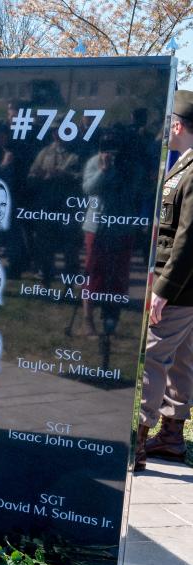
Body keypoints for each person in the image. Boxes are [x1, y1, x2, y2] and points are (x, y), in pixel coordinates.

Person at [136, 90, 193, 471]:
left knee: (153, 357)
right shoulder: (184, 164)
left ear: (177, 124)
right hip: (187, 287)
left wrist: (162, 290)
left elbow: (189, 238)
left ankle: (136, 440)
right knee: (184, 360)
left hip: (179, 286)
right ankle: (171, 437)